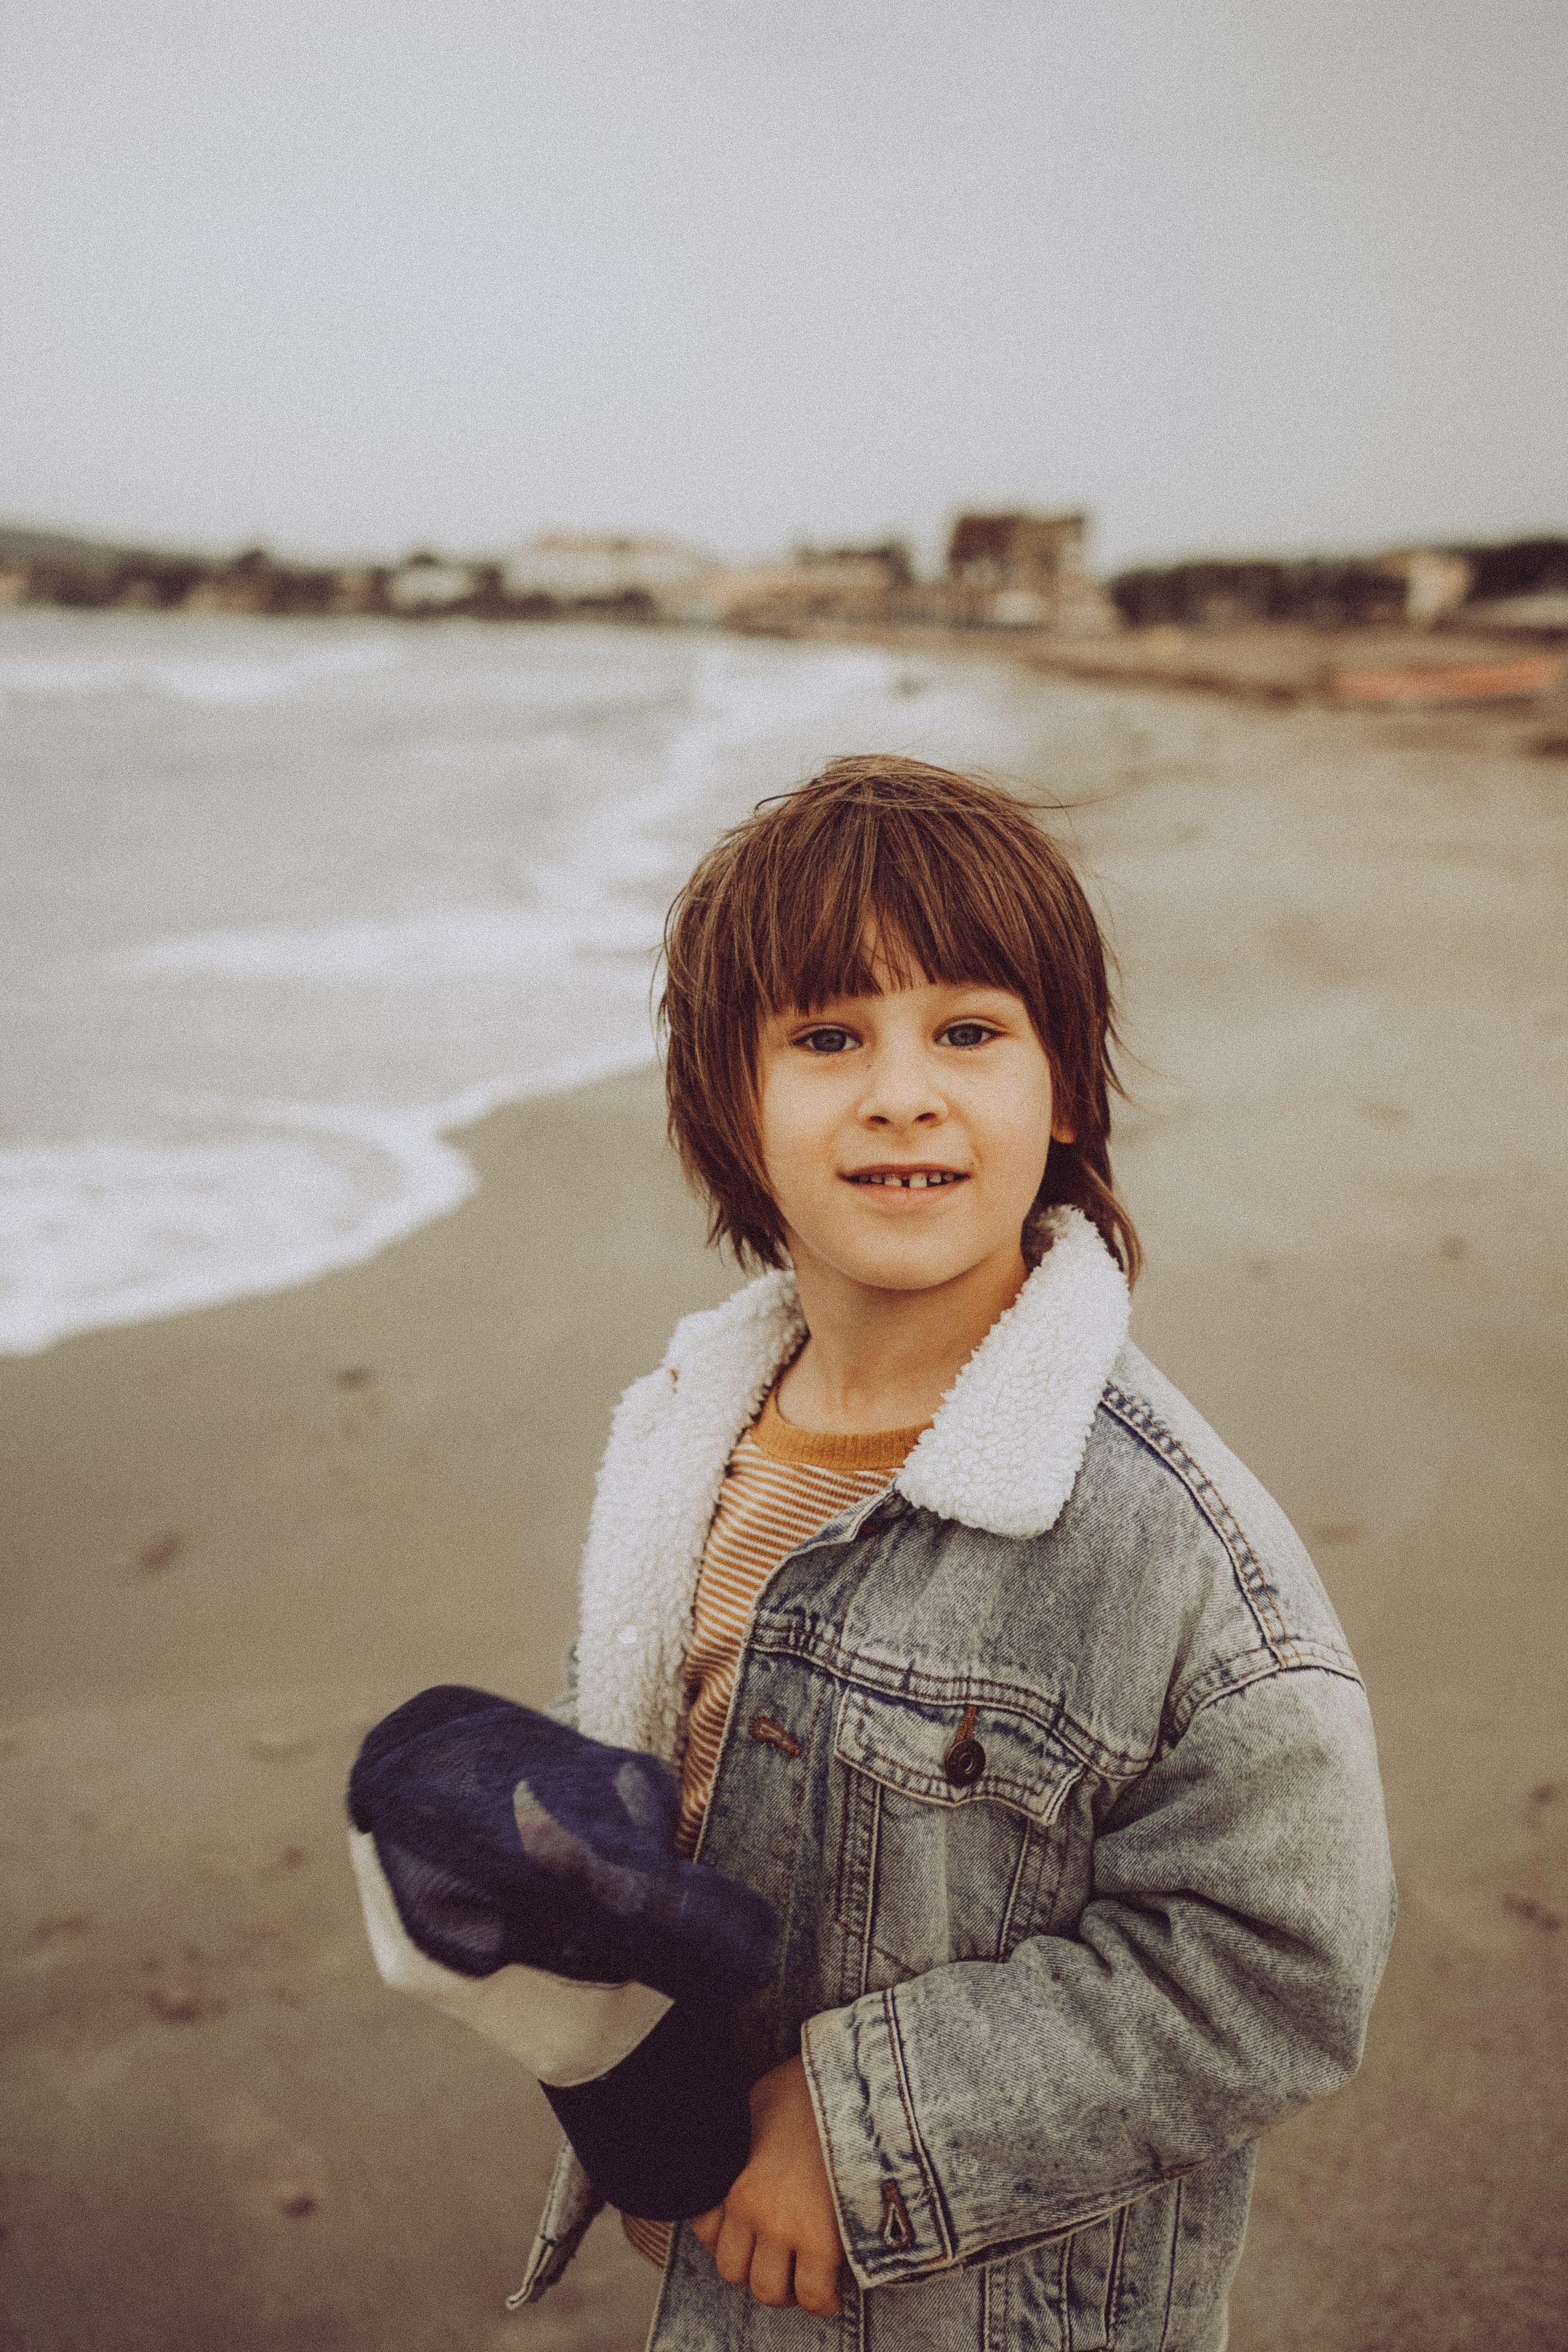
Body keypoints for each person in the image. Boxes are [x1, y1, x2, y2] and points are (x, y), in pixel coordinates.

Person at [511, 755, 1396, 2350]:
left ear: (1065, 1094)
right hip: (721, 2269)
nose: (902, 1092)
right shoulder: (686, 1433)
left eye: (969, 1032)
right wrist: (599, 2008)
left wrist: (868, 2128)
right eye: (828, 1037)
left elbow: (1278, 1961)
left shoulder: (1167, 1549)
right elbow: (657, 1759)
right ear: (728, 1103)